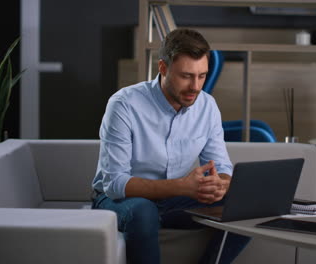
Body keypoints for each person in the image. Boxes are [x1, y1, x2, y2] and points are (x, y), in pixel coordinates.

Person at [91, 28, 250, 264]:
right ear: (163, 68)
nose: (195, 86)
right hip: (118, 201)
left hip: (174, 202)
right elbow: (115, 184)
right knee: (143, 212)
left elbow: (222, 165)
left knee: (246, 203)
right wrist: (183, 187)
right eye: (186, 76)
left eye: (202, 76)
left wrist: (221, 184)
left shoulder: (207, 106)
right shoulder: (124, 105)